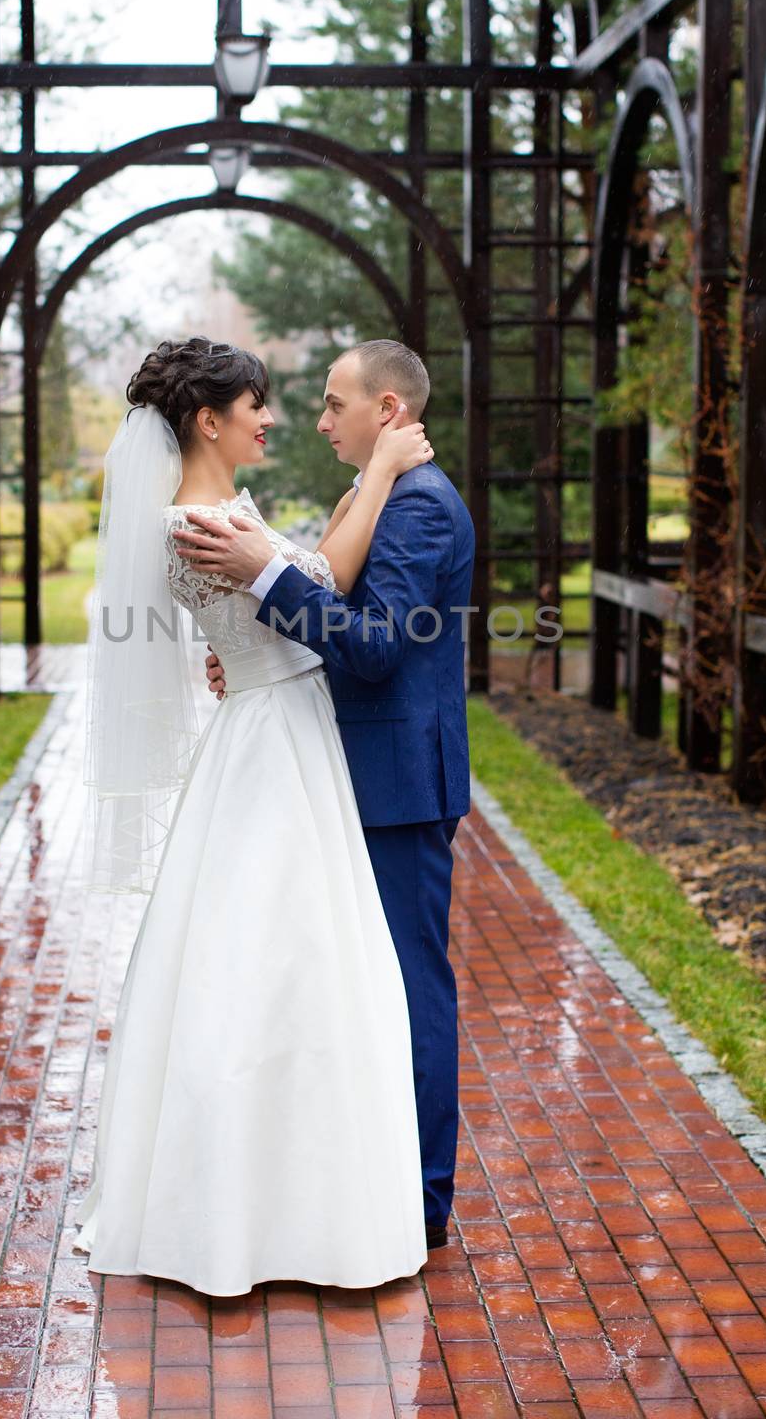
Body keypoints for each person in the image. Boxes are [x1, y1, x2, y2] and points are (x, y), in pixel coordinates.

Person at [74, 334, 435, 1296]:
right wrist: (383, 472)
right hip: (272, 740)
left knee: (300, 961)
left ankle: (296, 1198)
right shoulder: (194, 523)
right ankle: (243, 1213)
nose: (271, 419)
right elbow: (322, 581)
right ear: (208, 419)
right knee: (270, 965)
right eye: (256, 405)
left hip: (280, 723)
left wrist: (371, 480)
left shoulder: (220, 511)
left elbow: (302, 578)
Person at [173, 339, 476, 1250]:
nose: (317, 419)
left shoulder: (418, 506)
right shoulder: (374, 496)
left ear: (386, 410)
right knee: (359, 986)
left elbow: (379, 645)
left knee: (411, 989)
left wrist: (260, 582)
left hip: (396, 786)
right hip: (350, 769)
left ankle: (421, 1202)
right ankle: (364, 1180)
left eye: (335, 402)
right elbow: (340, 616)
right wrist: (259, 652)